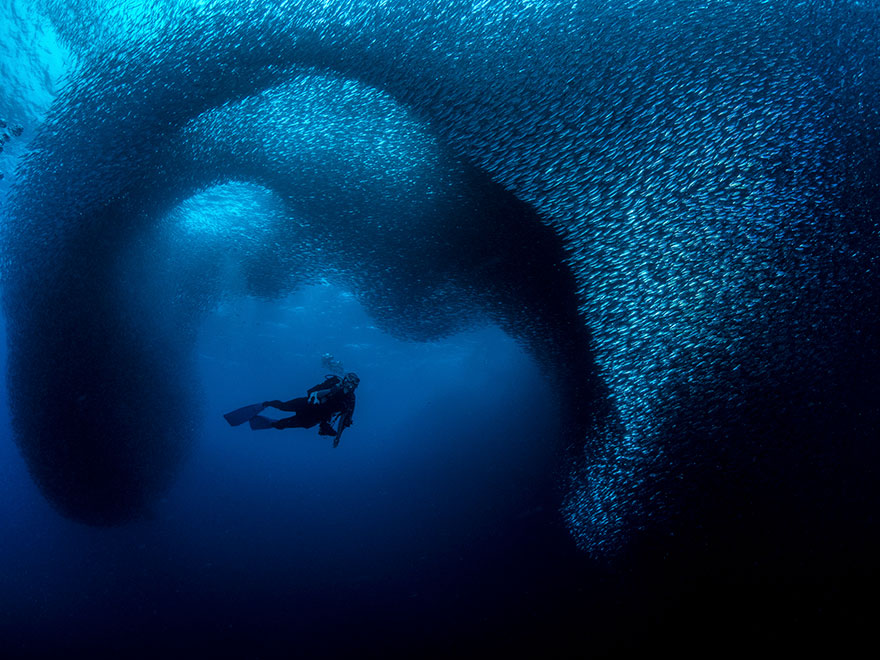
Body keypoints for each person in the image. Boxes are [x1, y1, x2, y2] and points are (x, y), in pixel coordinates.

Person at [256, 372, 359, 446]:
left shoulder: (350, 400)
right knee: (283, 406)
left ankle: (272, 423)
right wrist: (333, 389)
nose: (350, 386)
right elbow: (313, 393)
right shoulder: (334, 382)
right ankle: (264, 404)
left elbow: (344, 419)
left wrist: (338, 437)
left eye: (353, 384)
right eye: (350, 382)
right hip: (307, 404)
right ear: (345, 380)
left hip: (314, 418)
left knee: (283, 424)